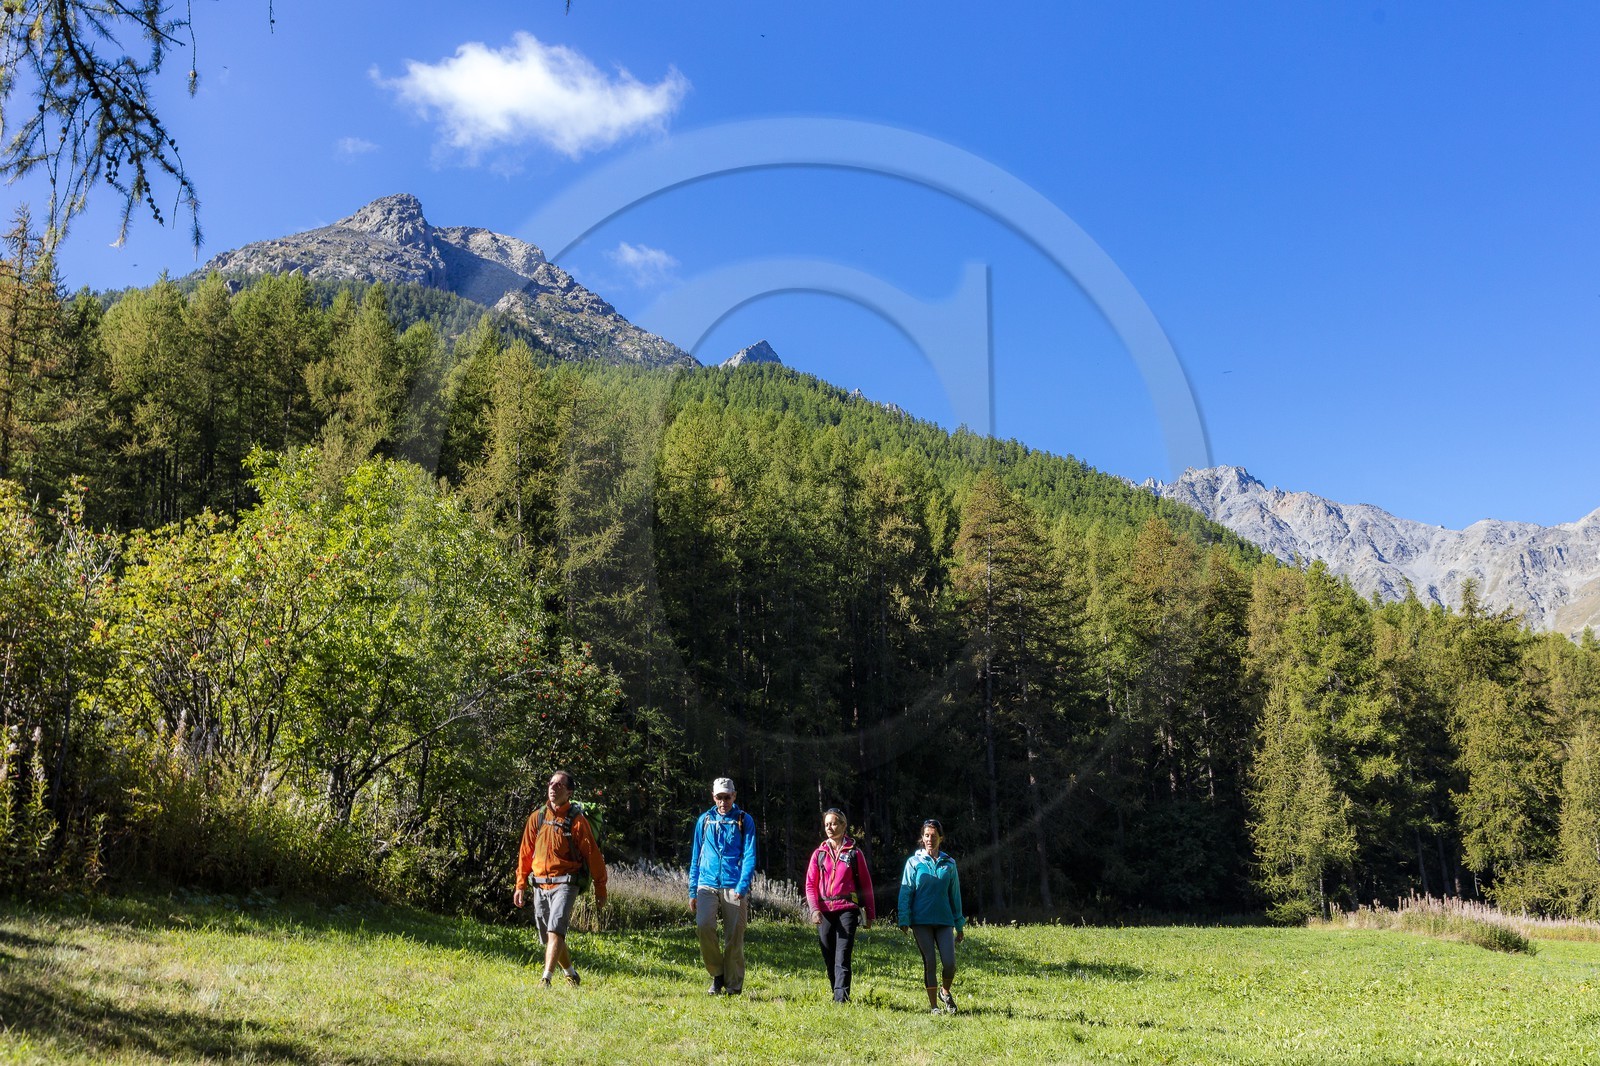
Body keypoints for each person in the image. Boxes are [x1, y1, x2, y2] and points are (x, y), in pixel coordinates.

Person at [513, 770, 607, 987]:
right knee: (549, 936)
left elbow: (593, 855)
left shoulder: (577, 821)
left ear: (569, 792)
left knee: (555, 929)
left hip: (566, 883)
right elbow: (525, 853)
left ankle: (546, 978)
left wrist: (600, 889)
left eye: (559, 785)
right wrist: (520, 884)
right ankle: (571, 974)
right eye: (551, 784)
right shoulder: (537, 817)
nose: (553, 788)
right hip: (539, 883)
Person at [689, 776, 758, 995]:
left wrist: (742, 885)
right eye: (719, 797)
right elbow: (695, 857)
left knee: (734, 937)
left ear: (734, 796)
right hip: (706, 883)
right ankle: (717, 974)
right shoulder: (704, 820)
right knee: (704, 926)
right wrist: (692, 890)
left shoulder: (744, 820)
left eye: (727, 797)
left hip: (733, 884)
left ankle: (734, 986)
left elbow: (749, 855)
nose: (723, 802)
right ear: (713, 797)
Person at [804, 807, 876, 1003]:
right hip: (825, 911)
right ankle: (836, 990)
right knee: (828, 954)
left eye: (834, 823)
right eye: (827, 824)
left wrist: (870, 914)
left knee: (842, 956)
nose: (830, 827)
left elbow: (866, 885)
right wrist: (814, 909)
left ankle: (841, 998)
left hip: (847, 909)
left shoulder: (855, 853)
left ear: (844, 826)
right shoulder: (819, 853)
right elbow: (810, 884)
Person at [897, 818, 966, 1014]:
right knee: (930, 961)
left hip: (944, 921)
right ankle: (934, 1006)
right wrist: (904, 918)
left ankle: (945, 992)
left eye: (933, 836)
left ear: (941, 838)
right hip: (921, 921)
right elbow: (906, 891)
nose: (929, 839)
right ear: (922, 837)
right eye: (926, 835)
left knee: (950, 964)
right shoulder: (913, 862)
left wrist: (959, 925)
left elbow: (955, 896)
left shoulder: (949, 864)